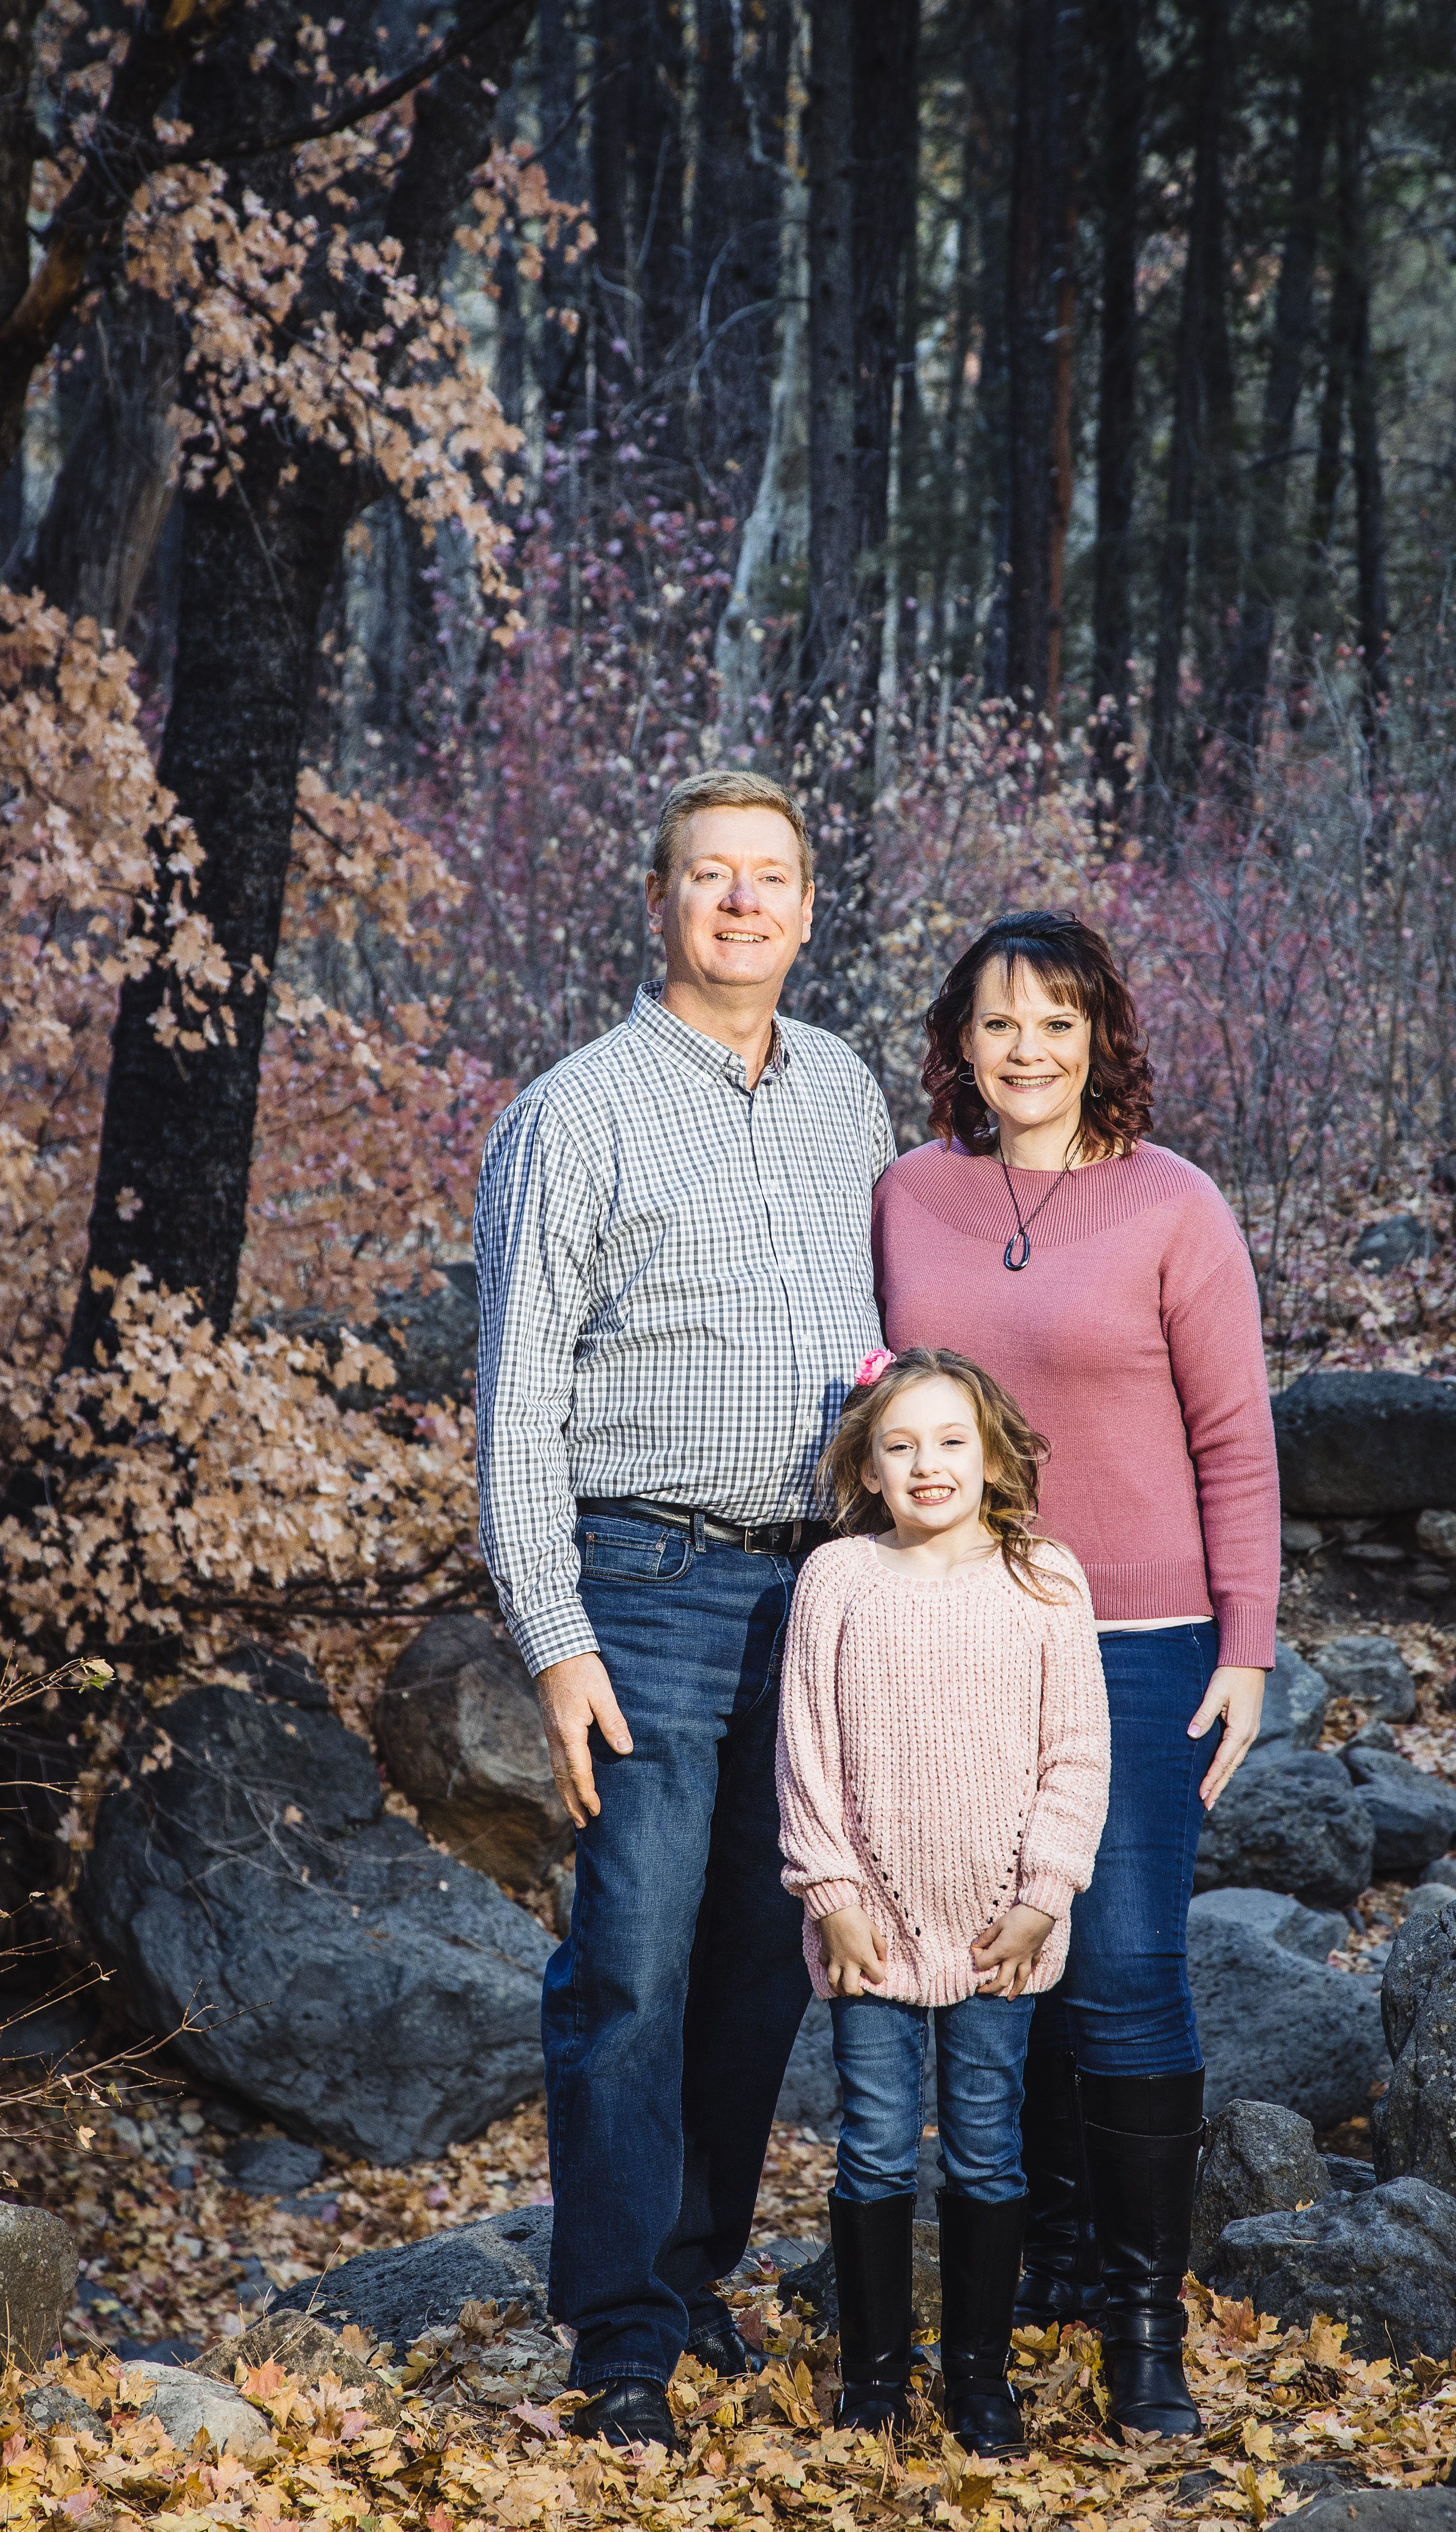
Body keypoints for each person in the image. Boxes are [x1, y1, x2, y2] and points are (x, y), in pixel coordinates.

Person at [473, 769, 896, 2448]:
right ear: (658, 900)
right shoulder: (572, 1112)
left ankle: (696, 2269)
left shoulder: (847, 1094)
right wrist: (555, 1640)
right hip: (643, 1578)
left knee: (758, 1965)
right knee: (632, 1963)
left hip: (822, 1583)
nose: (741, 903)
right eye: (709, 876)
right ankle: (624, 2336)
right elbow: (513, 1400)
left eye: (770, 877)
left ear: (806, 907)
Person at [872, 909, 1280, 2440]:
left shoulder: (1177, 1207)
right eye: (998, 1022)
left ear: (1104, 1030)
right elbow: (876, 1399)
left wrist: (1247, 1641)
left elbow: (1236, 1439)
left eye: (1057, 1017)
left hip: (1139, 1638)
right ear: (959, 1044)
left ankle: (1142, 2327)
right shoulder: (910, 1195)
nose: (1027, 1047)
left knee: (1119, 1965)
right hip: (958, 1628)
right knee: (999, 1946)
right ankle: (1042, 2249)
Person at [777, 1345, 1111, 2454]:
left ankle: (979, 2381)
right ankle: (875, 2382)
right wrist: (830, 1892)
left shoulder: (1045, 1579)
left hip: (997, 1932)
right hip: (868, 1922)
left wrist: (1044, 1895)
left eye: (951, 1440)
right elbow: (806, 1750)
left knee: (984, 2147)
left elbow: (1077, 1755)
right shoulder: (838, 1579)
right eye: (901, 1445)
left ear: (994, 1453)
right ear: (867, 1468)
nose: (929, 1464)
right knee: (874, 2144)